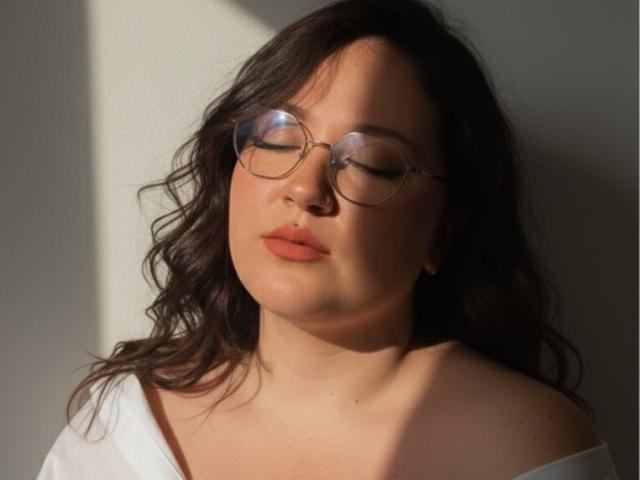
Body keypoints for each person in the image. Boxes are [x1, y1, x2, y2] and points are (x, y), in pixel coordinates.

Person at [37, 1, 620, 479]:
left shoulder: (524, 448)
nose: (305, 188)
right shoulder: (121, 430)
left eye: (370, 163)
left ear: (443, 231)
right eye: (276, 137)